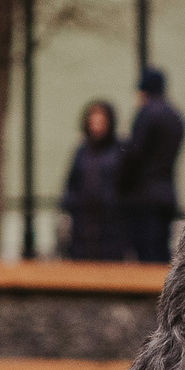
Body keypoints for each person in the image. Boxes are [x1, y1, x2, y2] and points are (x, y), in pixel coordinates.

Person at [119, 66, 185, 264]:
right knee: (161, 252)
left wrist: (122, 186)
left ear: (143, 90)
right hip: (167, 193)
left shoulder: (147, 113)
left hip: (144, 196)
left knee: (146, 254)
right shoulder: (175, 116)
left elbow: (134, 155)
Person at [58, 100, 127, 261]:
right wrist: (71, 202)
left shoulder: (118, 151)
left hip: (111, 226)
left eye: (100, 122)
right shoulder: (81, 152)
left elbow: (125, 185)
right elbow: (72, 182)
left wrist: (113, 202)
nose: (96, 127)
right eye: (93, 122)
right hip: (82, 227)